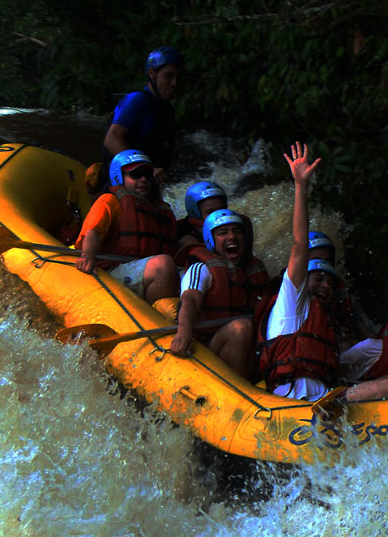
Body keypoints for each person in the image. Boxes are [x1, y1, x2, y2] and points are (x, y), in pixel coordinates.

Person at [257, 142, 388, 402]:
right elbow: (299, 245)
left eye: (330, 282)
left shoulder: (326, 318)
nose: (326, 286)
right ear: (304, 281)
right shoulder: (291, 302)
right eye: (319, 279)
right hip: (292, 401)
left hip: (326, 401)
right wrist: (300, 187)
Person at [170, 209, 268, 375]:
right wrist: (184, 331)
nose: (232, 237)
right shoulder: (202, 268)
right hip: (208, 349)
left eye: (237, 232)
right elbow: (190, 300)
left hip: (249, 348)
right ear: (210, 240)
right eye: (223, 233)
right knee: (241, 328)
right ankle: (242, 388)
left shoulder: (256, 270)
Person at [75, 150, 179, 304]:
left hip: (140, 270)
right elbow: (94, 232)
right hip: (112, 270)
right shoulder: (110, 200)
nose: (143, 179)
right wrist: (88, 257)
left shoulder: (159, 209)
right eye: (136, 175)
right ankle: (158, 318)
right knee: (163, 265)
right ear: (118, 176)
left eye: (147, 175)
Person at [100, 46, 184, 189]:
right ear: (152, 74)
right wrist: (144, 168)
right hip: (121, 183)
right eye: (169, 76)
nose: (174, 83)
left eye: (178, 77)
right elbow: (112, 139)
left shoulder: (167, 110)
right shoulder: (136, 100)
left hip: (147, 184)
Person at [306, 230, 375, 349]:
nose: (322, 265)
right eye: (316, 259)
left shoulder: (336, 288)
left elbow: (361, 328)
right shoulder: (288, 292)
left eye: (327, 261)